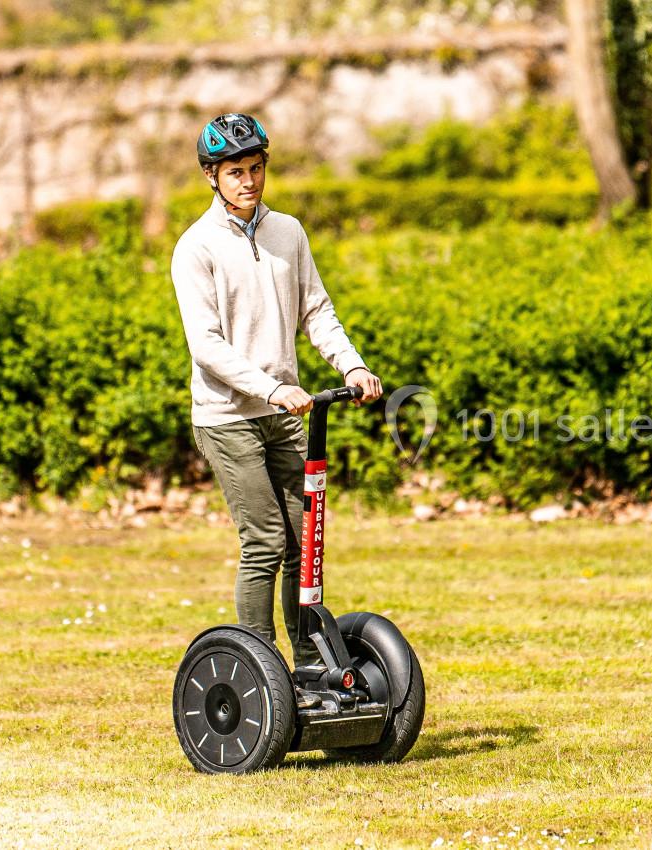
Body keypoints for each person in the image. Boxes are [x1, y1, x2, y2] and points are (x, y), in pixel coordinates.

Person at [170, 112, 383, 670]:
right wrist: (271, 389)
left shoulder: (288, 231)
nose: (249, 181)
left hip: (284, 411)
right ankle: (260, 671)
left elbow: (316, 310)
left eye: (256, 168)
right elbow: (206, 346)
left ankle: (310, 665)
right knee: (265, 540)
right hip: (227, 417)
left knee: (302, 543)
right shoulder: (196, 247)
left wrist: (352, 366)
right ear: (212, 176)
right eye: (235, 172)